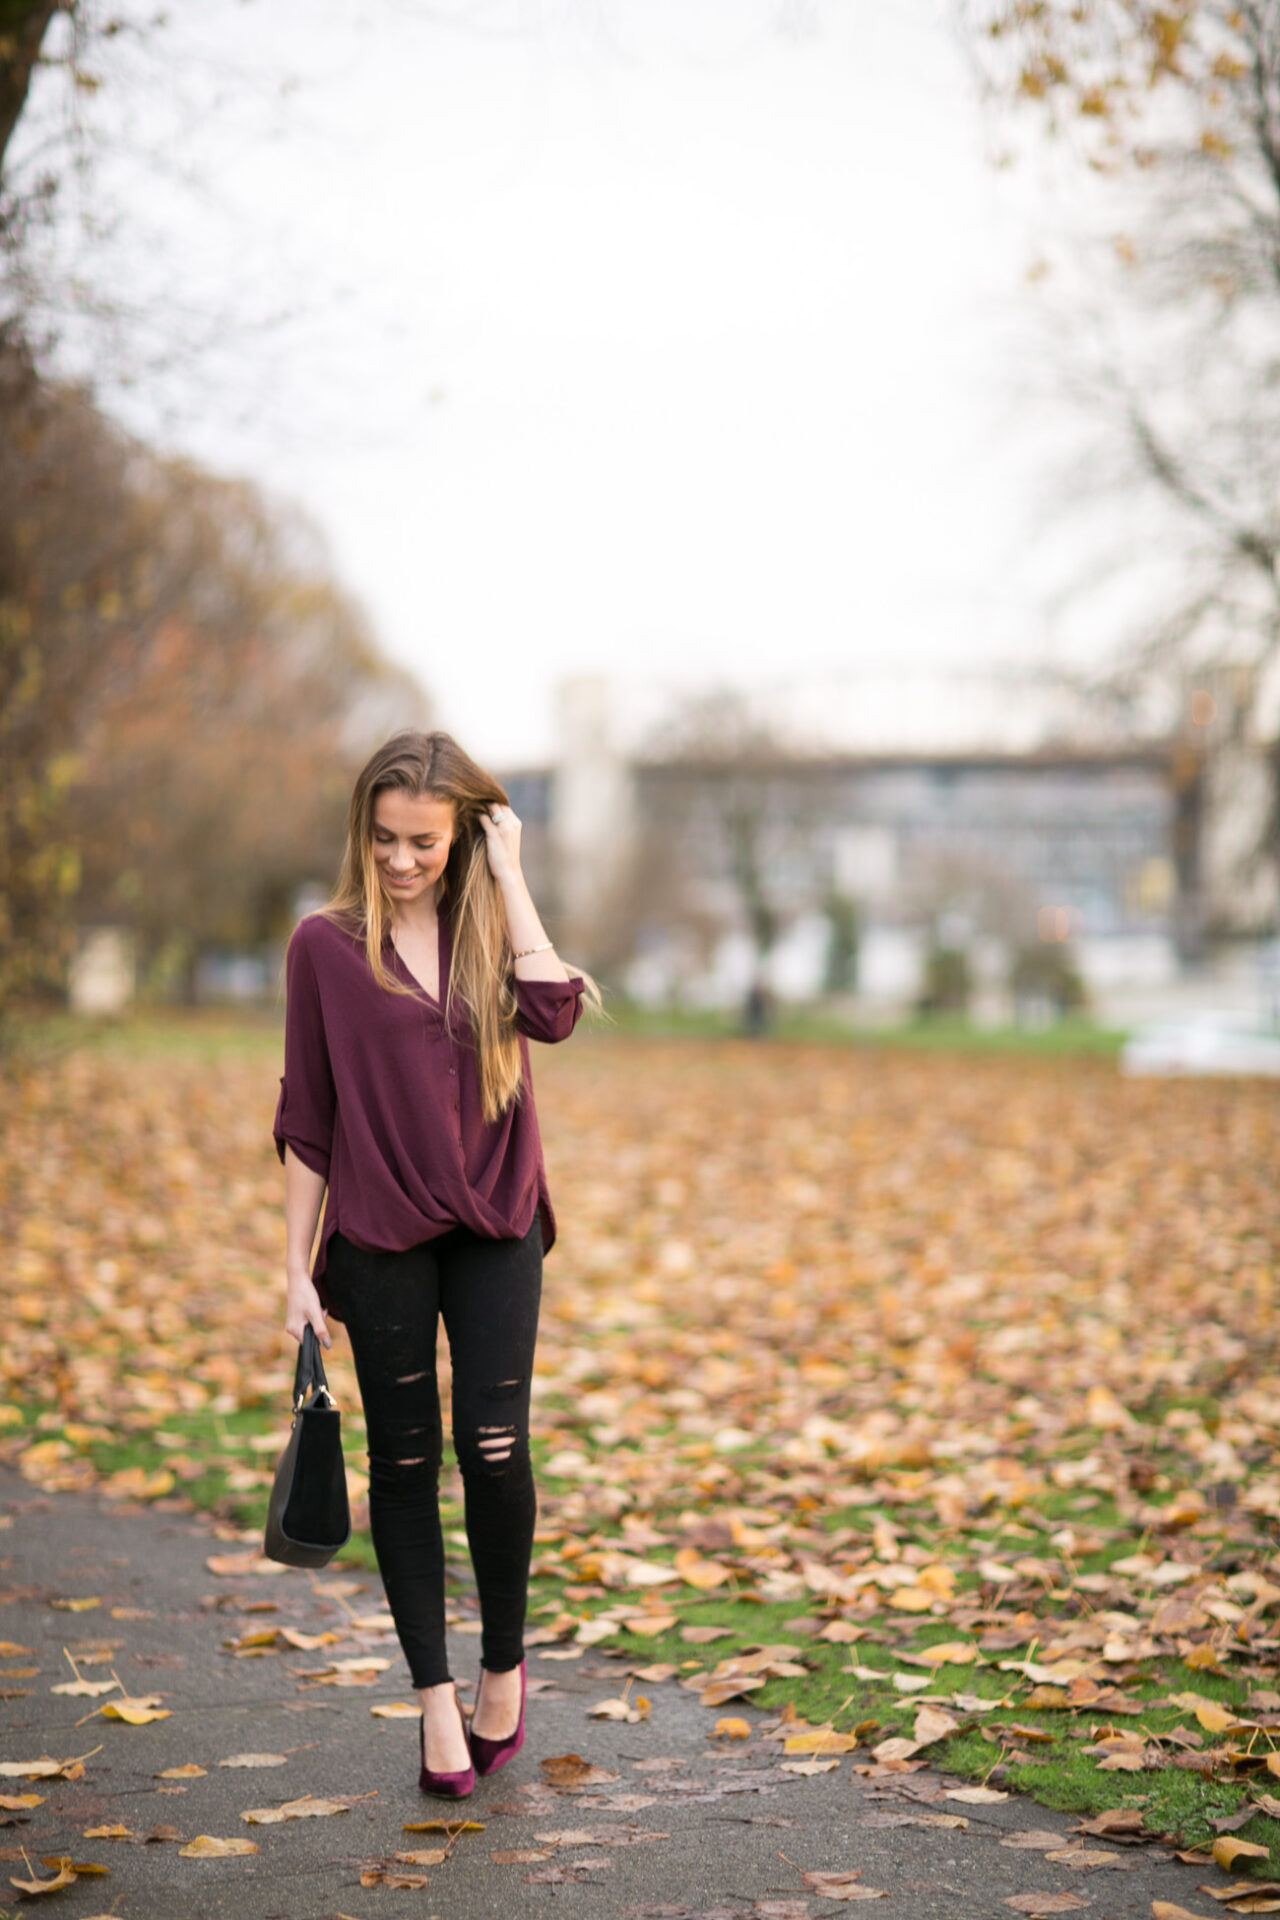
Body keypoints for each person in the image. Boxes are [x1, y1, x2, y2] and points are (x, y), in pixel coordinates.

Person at [273, 729, 591, 1798]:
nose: (400, 859)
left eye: (422, 841)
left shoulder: (486, 921)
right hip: (378, 1233)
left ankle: (503, 1666)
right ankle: (434, 1704)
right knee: (405, 1466)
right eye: (383, 838)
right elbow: (307, 1121)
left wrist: (508, 875)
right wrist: (294, 1270)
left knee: (493, 1448)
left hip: (497, 1221)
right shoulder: (323, 946)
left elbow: (551, 1014)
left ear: (458, 838)